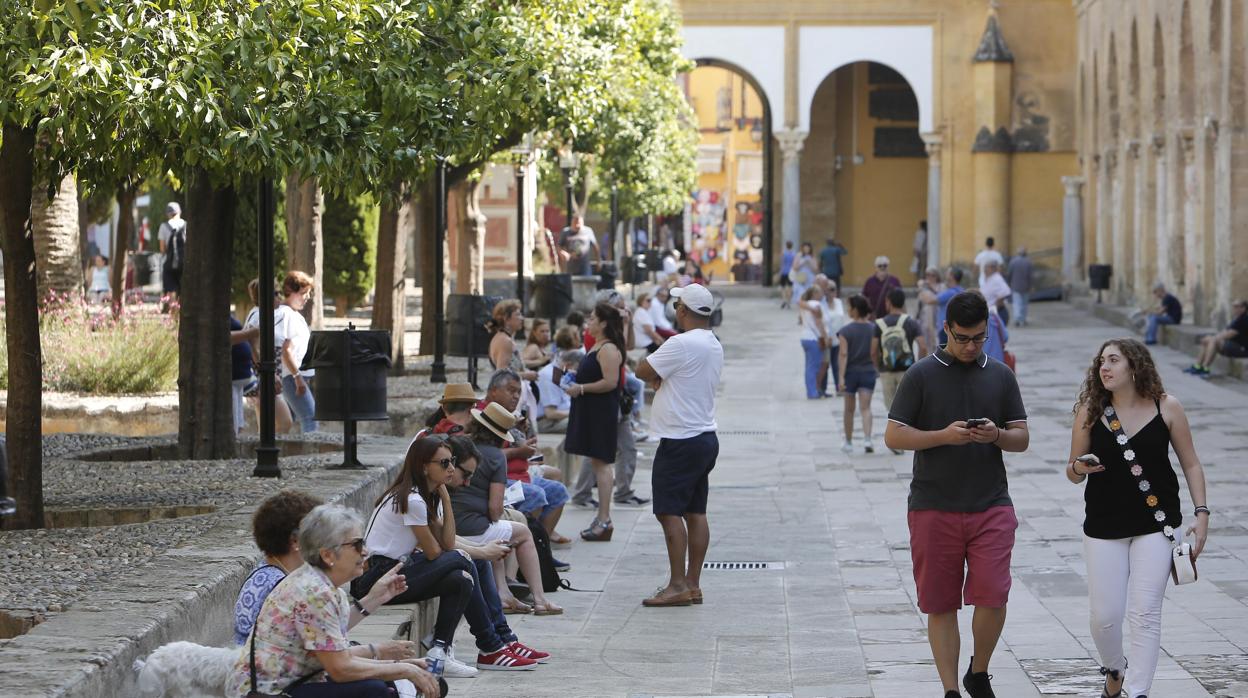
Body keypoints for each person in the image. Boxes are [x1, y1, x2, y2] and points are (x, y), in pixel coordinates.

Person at [883, 291, 1029, 698]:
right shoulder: (921, 375)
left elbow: (1022, 438)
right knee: (940, 603)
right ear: (946, 329)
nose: (970, 347)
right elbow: (893, 434)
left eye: (979, 338)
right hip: (933, 505)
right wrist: (943, 436)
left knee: (994, 593)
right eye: (963, 338)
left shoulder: (1000, 375)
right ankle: (951, 689)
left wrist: (996, 435)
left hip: (991, 504)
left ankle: (978, 671)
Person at [1066, 339, 1209, 698]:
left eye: (1113, 360)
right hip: (1103, 525)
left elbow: (1191, 463)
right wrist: (1078, 467)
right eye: (1101, 361)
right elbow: (1071, 471)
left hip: (1156, 526)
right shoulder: (1090, 410)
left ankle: (1138, 691)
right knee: (1104, 617)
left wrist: (1202, 512)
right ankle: (1115, 669)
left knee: (1145, 614)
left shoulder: (1168, 407)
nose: (1105, 367)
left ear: (1135, 366)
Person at [357, 436, 545, 674]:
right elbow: (436, 551)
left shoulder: (427, 496)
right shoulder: (413, 500)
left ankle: (441, 650)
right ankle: (491, 646)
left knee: (460, 578)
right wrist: (479, 552)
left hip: (398, 571)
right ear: (425, 466)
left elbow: (446, 540)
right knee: (463, 560)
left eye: (452, 462)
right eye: (444, 464)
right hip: (377, 578)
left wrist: (445, 498)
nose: (452, 469)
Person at [226, 504, 439, 698]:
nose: (366, 551)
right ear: (328, 555)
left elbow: (337, 656)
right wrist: (402, 668)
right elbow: (340, 668)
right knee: (374, 691)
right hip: (269, 693)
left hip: (295, 682)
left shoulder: (323, 586)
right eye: (357, 544)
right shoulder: (314, 592)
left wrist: (399, 666)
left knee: (389, 683)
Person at [635, 283, 723, 607]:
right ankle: (693, 583)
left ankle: (676, 585)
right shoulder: (713, 343)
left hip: (680, 438)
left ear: (683, 310)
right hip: (704, 436)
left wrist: (659, 374)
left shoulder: (681, 343)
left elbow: (642, 369)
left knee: (668, 512)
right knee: (696, 511)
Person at [457, 403, 563, 615]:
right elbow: (495, 509)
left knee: (500, 531)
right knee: (522, 533)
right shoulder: (496, 457)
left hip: (450, 522)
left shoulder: (460, 446)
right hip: (471, 528)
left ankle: (503, 594)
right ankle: (541, 600)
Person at [564, 302, 625, 540]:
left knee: (602, 464)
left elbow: (610, 382)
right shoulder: (597, 346)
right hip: (592, 410)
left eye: (592, 319)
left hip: (601, 412)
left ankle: (604, 518)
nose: (588, 323)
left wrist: (580, 387)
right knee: (597, 462)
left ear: (603, 324)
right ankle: (601, 518)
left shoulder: (608, 348)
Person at [233, 490, 325, 645]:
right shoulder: (282, 587)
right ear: (296, 541)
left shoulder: (266, 574)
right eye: (319, 534)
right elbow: (320, 644)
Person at [242, 277, 294, 434]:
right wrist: (266, 372)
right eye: (276, 293)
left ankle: (266, 454)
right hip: (265, 376)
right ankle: (272, 455)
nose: (280, 297)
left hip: (270, 374)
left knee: (265, 426)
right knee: (285, 423)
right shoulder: (259, 316)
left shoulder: (267, 314)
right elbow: (250, 343)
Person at [872, 287, 927, 432]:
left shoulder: (879, 324)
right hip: (907, 371)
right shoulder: (911, 322)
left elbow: (873, 351)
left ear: (888, 302)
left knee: (891, 408)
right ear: (903, 303)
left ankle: (895, 434)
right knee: (907, 405)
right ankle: (906, 432)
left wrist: (878, 368)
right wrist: (919, 367)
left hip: (886, 370)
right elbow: (922, 346)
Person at [276, 271, 317, 433]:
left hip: (297, 376)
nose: (306, 297)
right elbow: (286, 350)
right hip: (293, 377)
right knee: (310, 417)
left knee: (290, 421)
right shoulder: (287, 315)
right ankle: (313, 455)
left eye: (307, 293)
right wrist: (297, 377)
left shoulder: (292, 314)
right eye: (302, 293)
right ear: (290, 292)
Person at [837, 295, 878, 454]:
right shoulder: (874, 328)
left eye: (849, 307)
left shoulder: (845, 331)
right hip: (868, 372)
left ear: (854, 310)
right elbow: (876, 352)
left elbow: (843, 354)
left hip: (851, 374)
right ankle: (868, 439)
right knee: (866, 408)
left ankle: (848, 442)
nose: (848, 310)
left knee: (849, 409)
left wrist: (840, 377)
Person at [1185, 299, 1248, 376]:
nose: (1234, 308)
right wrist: (1212, 337)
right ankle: (1197, 366)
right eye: (1233, 306)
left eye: (1236, 306)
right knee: (1208, 340)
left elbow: (1229, 334)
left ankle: (1205, 368)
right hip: (1233, 345)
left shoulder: (1244, 319)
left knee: (1213, 341)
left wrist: (1213, 338)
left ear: (1243, 308)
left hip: (1242, 349)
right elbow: (1225, 331)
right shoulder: (1237, 319)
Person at [536, 348, 581, 433]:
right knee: (584, 422)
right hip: (547, 422)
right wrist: (577, 412)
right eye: (577, 369)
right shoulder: (550, 376)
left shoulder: (560, 371)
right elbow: (551, 413)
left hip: (560, 418)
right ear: (568, 365)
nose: (577, 372)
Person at [816, 276, 847, 397]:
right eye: (828, 289)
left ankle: (839, 387)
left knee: (837, 365)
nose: (831, 292)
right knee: (824, 364)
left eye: (833, 289)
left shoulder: (839, 302)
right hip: (826, 339)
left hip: (838, 339)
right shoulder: (821, 304)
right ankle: (822, 389)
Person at [797, 286, 829, 400]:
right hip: (814, 338)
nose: (822, 295)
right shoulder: (816, 304)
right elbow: (819, 322)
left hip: (805, 337)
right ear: (814, 293)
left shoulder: (805, 305)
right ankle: (812, 392)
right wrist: (824, 337)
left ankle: (810, 390)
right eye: (820, 292)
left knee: (809, 366)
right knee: (814, 367)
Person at [229, 317, 258, 435]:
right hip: (231, 377)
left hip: (239, 378)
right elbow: (224, 337)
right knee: (233, 425)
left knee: (238, 424)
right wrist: (248, 333)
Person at [158, 202, 187, 302]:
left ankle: (173, 313)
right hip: (184, 263)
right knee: (184, 289)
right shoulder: (186, 225)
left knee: (171, 290)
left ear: (168, 214)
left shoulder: (164, 226)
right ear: (179, 212)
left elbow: (162, 249)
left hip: (169, 263)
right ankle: (182, 313)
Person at [862, 256, 902, 320]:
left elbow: (901, 300)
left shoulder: (895, 281)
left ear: (888, 266)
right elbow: (865, 299)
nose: (882, 267)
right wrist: (867, 314)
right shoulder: (869, 281)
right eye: (880, 266)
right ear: (876, 267)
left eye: (885, 265)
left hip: (891, 318)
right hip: (874, 318)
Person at [916, 267, 945, 355]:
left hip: (937, 316)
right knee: (924, 341)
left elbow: (938, 298)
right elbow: (921, 301)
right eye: (928, 275)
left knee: (935, 341)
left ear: (937, 276)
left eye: (933, 275)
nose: (930, 277)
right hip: (925, 317)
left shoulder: (942, 286)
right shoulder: (923, 287)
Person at [935, 267, 966, 345]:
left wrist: (922, 288)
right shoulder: (961, 290)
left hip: (945, 328)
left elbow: (930, 300)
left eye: (948, 273)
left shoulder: (950, 292)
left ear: (951, 276)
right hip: (956, 326)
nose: (946, 274)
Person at [1004, 248, 1033, 327]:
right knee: (1024, 303)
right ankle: (1023, 319)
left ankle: (1017, 318)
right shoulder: (1028, 262)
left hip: (1015, 285)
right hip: (1026, 286)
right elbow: (1030, 276)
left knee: (1017, 303)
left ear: (1018, 253)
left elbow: (1009, 273)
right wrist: (1031, 285)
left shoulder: (1013, 262)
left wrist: (1009, 283)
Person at [979, 259, 1012, 326]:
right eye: (984, 267)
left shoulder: (996, 278)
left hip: (998, 313)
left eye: (986, 267)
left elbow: (1006, 291)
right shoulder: (988, 279)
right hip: (990, 313)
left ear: (993, 268)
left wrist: (996, 306)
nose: (985, 270)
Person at [788, 242, 818, 308]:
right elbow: (794, 267)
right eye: (805, 248)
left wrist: (809, 263)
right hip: (801, 276)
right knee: (800, 290)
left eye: (808, 248)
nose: (806, 249)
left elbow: (815, 269)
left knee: (809, 290)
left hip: (810, 277)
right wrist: (803, 263)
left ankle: (808, 305)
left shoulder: (812, 256)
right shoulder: (799, 255)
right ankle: (801, 304)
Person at [778, 241, 795, 308]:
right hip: (791, 272)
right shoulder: (794, 254)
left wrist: (780, 272)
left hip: (784, 271)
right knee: (790, 287)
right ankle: (788, 302)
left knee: (783, 287)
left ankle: (784, 300)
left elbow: (782, 263)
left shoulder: (783, 253)